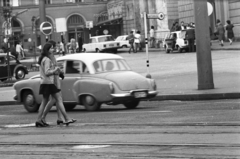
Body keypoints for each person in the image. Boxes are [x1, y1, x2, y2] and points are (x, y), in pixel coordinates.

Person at [36, 41, 76, 127]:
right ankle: (66, 118)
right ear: (47, 50)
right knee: (58, 99)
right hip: (49, 82)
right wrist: (55, 70)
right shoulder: (47, 59)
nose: (53, 49)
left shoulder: (43, 58)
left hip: (44, 82)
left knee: (45, 101)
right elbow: (47, 72)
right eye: (51, 48)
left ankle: (40, 119)